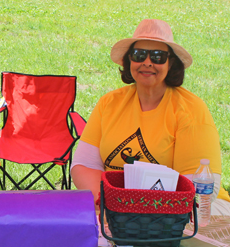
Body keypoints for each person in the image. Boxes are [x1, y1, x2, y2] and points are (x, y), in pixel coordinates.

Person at [71, 19, 230, 213]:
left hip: (193, 210)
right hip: (118, 209)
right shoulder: (109, 103)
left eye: (158, 56)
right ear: (129, 60)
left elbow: (199, 188)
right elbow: (84, 165)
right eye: (139, 55)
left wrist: (141, 209)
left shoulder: (190, 109)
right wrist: (108, 203)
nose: (147, 62)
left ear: (171, 63)